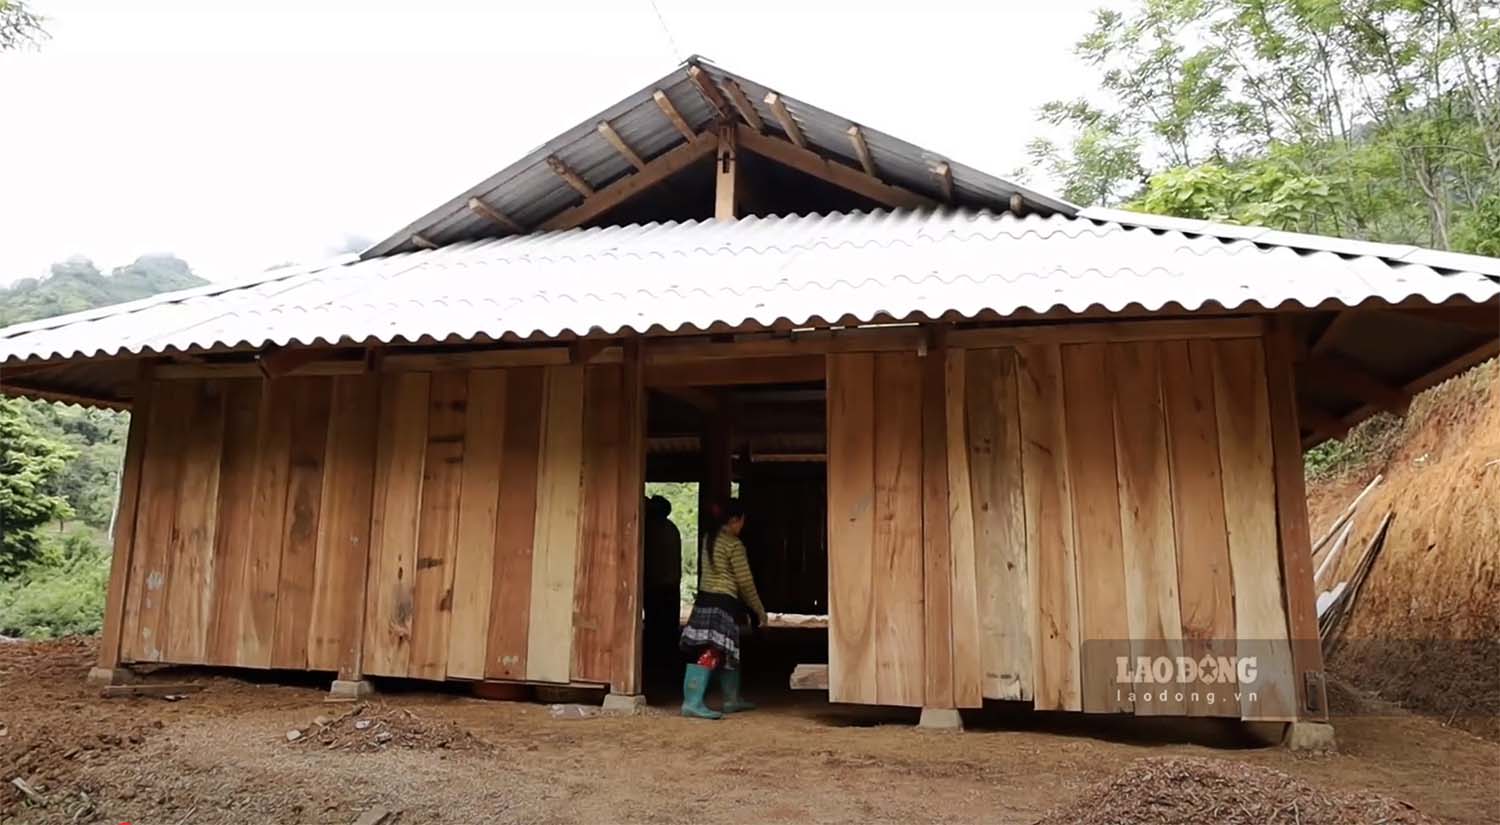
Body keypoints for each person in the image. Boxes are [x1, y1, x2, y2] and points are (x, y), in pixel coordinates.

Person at [678, 499, 767, 719]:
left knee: (728, 651)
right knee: (715, 651)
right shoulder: (734, 545)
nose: (742, 526)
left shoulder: (710, 538)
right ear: (735, 520)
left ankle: (732, 699)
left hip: (705, 600)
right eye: (742, 522)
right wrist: (760, 610)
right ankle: (692, 701)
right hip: (723, 603)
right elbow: (745, 582)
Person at [642, 495, 683, 672]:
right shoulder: (671, 528)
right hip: (671, 585)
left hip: (655, 585)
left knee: (654, 627)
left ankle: (655, 665)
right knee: (667, 628)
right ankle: (668, 665)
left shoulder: (650, 529)